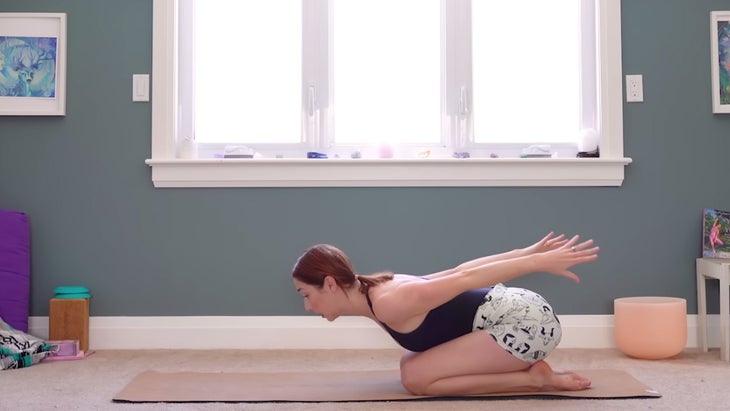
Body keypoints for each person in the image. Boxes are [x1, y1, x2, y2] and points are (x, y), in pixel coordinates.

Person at [291, 232, 598, 396]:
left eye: (307, 295)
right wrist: (527, 252)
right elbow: (459, 270)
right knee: (411, 362)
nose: (307, 306)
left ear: (329, 284)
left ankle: (537, 380)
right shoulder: (376, 291)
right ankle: (532, 375)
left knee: (416, 379)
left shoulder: (389, 301)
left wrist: (537, 263)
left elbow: (465, 279)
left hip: (527, 324)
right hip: (511, 310)